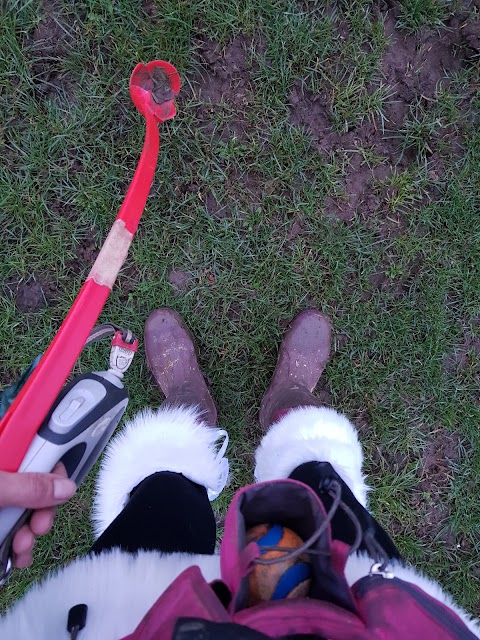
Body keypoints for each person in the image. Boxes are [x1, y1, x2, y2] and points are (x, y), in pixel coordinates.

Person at [0, 308, 478, 639]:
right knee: (321, 497)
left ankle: (190, 422)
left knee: (162, 500)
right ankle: (289, 409)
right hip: (371, 619)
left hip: (124, 621)